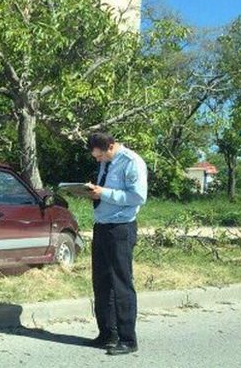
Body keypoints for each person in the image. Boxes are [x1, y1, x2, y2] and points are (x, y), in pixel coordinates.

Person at [85, 132, 147, 356]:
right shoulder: (106, 160)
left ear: (111, 147)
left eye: (100, 156)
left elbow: (138, 197)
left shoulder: (132, 162)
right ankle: (107, 334)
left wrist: (105, 193)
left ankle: (128, 339)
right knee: (101, 281)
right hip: (101, 225)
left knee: (121, 283)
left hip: (121, 227)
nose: (98, 161)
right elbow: (105, 190)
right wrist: (94, 193)